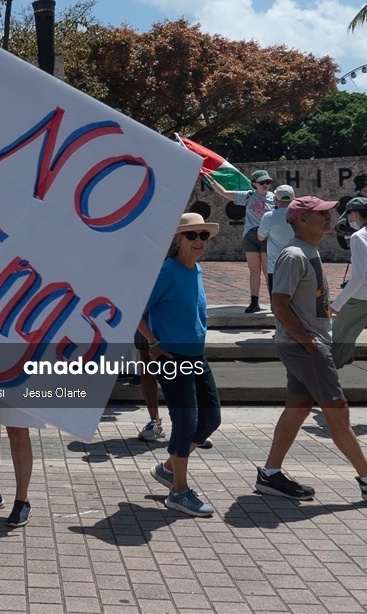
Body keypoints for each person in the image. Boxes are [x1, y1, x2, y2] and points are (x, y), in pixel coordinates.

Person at [258, 196, 367, 502]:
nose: (329, 215)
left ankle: (270, 474)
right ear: (301, 220)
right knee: (338, 410)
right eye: (321, 212)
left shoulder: (309, 251)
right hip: (305, 346)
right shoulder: (294, 255)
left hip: (306, 344)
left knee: (298, 407)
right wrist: (309, 342)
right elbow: (278, 304)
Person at [138, 213, 222, 517]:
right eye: (191, 235)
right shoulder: (168, 271)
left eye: (203, 235)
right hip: (172, 357)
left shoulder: (196, 269)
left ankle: (169, 468)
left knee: (210, 419)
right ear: (178, 240)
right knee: (185, 423)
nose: (199, 240)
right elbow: (135, 307)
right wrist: (152, 343)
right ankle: (179, 491)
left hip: (196, 356)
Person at [210, 169, 276, 313]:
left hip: (267, 235)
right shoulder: (248, 196)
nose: (266, 185)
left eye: (268, 182)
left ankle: (274, 302)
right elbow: (224, 193)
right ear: (254, 184)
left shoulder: (274, 197)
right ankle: (254, 301)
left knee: (267, 271)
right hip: (251, 235)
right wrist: (210, 180)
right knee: (254, 271)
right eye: (262, 182)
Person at [330, 197, 367, 369]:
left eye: (350, 215)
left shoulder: (358, 237)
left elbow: (359, 276)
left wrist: (337, 304)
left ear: (354, 213)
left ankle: (332, 371)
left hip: (363, 295)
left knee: (339, 333)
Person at [257, 184, 296, 295]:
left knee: (277, 301)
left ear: (275, 199)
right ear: (293, 199)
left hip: (275, 266)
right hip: (297, 263)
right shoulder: (300, 215)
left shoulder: (269, 216)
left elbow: (260, 237)